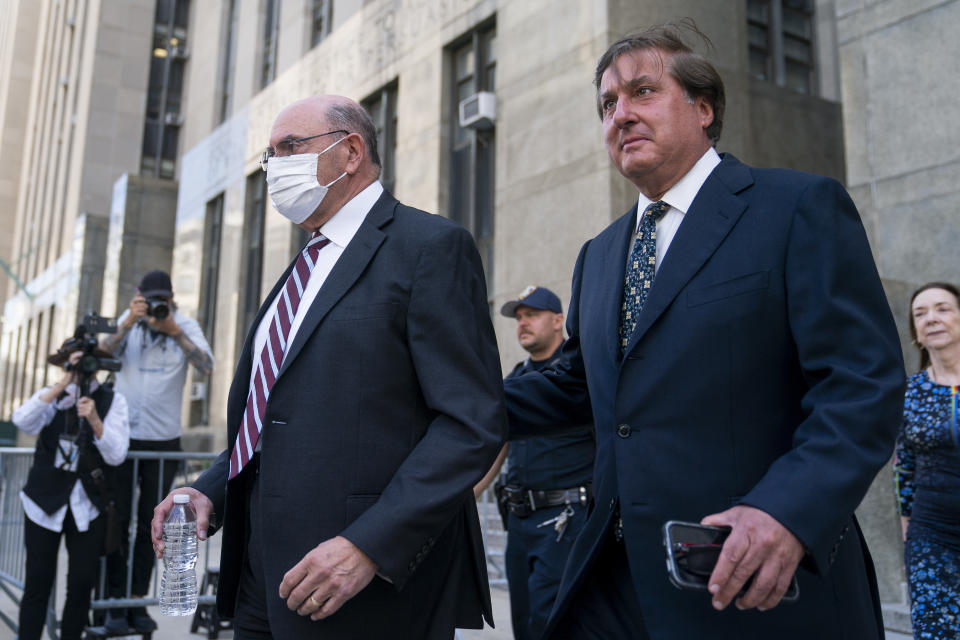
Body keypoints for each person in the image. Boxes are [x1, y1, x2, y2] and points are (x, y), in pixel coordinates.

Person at [502, 22, 906, 639]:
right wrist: (441, 387)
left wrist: (787, 512)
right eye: (608, 104)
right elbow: (578, 387)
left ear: (703, 106)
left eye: (642, 92)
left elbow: (861, 386)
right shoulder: (601, 253)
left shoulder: (795, 208)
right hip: (614, 585)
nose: (621, 115)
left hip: (754, 581)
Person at [150, 95, 505, 639]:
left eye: (290, 147)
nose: (274, 167)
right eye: (270, 155)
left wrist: (368, 545)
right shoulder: (300, 270)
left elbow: (469, 425)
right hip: (261, 579)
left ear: (351, 151)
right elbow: (270, 419)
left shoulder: (429, 247)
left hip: (364, 586)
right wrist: (210, 490)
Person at [475, 285, 594, 640]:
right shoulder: (517, 379)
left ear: (559, 321)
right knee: (524, 621)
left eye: (533, 315)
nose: (523, 324)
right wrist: (460, 497)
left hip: (566, 519)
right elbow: (498, 448)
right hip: (520, 522)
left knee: (550, 621)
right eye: (519, 317)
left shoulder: (579, 380)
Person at [99, 269, 213, 633]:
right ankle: (114, 603)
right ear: (139, 297)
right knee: (118, 523)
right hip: (123, 440)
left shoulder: (183, 324)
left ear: (172, 297)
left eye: (163, 299)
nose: (158, 306)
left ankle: (136, 603)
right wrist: (128, 322)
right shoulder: (128, 322)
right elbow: (103, 354)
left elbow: (207, 366)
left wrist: (174, 333)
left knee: (155, 524)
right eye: (151, 300)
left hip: (163, 439)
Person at [13, 341, 130, 640]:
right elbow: (22, 421)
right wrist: (62, 385)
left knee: (81, 583)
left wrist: (94, 419)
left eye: (85, 363)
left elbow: (117, 454)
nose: (80, 369)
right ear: (65, 364)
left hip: (87, 505)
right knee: (37, 582)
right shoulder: (51, 397)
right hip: (42, 503)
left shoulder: (112, 400)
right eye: (74, 363)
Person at [894, 282, 960, 639]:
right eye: (920, 313)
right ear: (915, 332)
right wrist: (908, 535)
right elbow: (904, 468)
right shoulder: (908, 392)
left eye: (942, 309)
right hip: (930, 536)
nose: (931, 319)